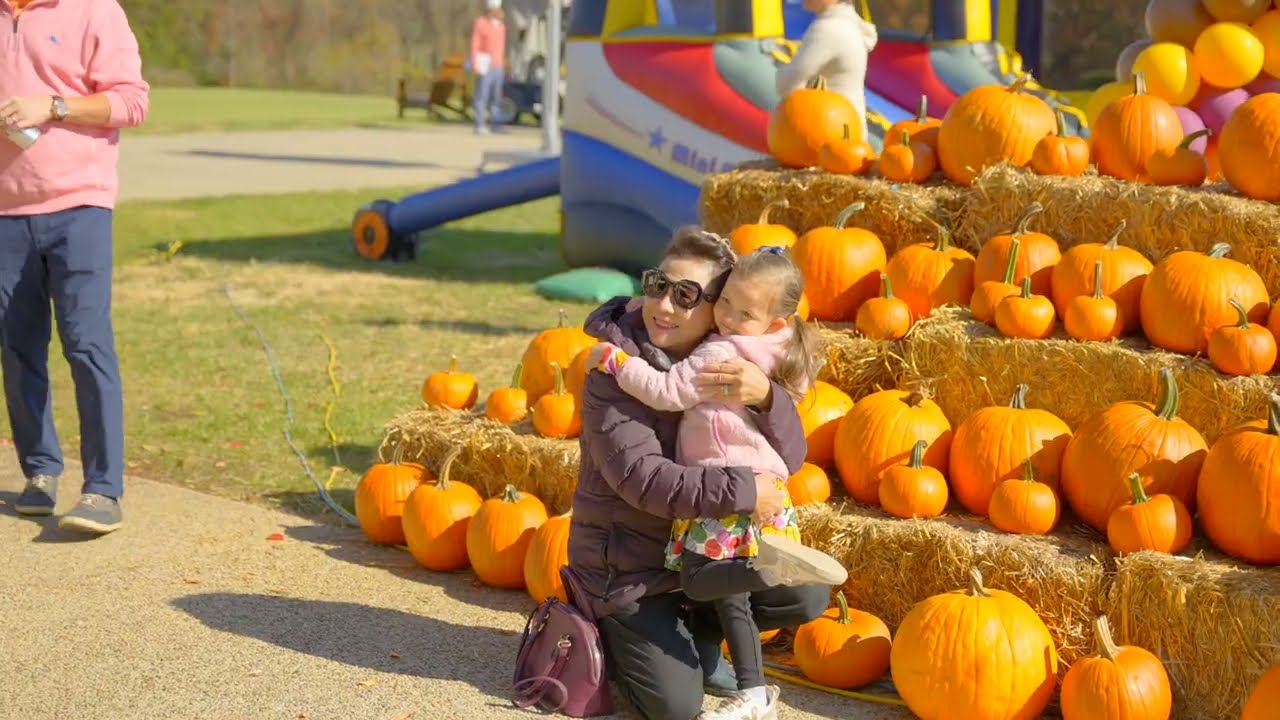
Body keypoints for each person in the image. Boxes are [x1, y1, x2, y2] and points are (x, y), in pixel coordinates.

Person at [566, 227, 833, 720]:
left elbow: (792, 458)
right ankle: (612, 630)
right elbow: (644, 481)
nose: (665, 306)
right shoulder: (613, 371)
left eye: (686, 295)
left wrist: (766, 398)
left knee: (805, 590)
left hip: (696, 552)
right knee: (676, 707)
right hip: (631, 572)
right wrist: (745, 489)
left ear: (717, 305)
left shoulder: (737, 358)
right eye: (657, 284)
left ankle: (702, 637)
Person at [1, 0, 149, 534]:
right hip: (4, 214)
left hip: (79, 205)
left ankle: (102, 490)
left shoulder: (95, 10)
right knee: (17, 349)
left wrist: (53, 106)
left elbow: (132, 102)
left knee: (85, 342)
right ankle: (40, 472)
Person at [776, 0, 879, 141]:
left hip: (830, 136)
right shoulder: (850, 25)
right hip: (850, 129)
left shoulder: (828, 29)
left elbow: (789, 82)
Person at [469, 0, 507, 135]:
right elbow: (475, 44)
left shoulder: (501, 26)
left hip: (498, 65)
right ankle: (479, 123)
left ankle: (496, 123)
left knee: (496, 96)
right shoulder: (481, 23)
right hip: (485, 63)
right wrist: (475, 62)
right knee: (482, 95)